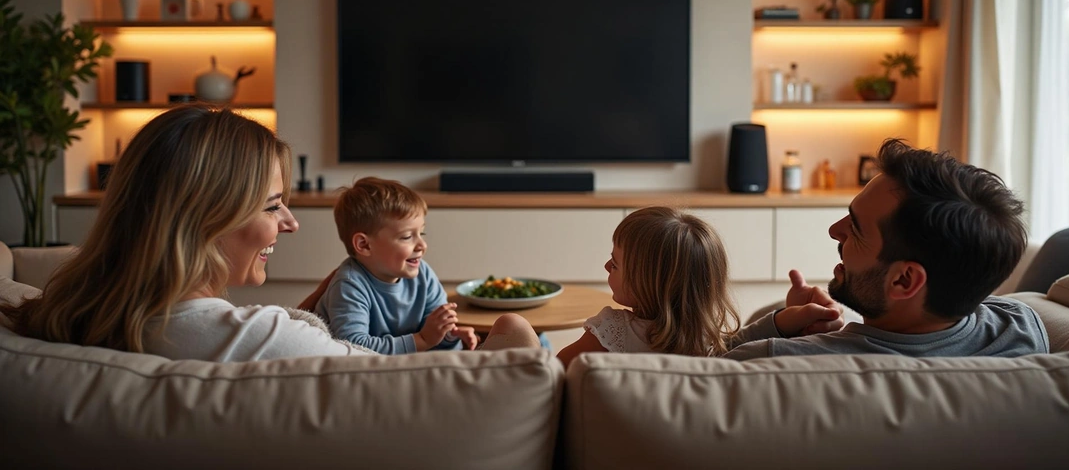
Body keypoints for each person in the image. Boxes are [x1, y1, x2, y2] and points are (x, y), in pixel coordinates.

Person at [0, 106, 538, 360]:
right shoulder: (260, 338)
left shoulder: (68, 307)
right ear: (206, 215)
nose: (291, 223)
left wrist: (309, 309)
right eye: (273, 205)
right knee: (516, 330)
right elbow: (377, 371)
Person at [725, 138, 1050, 360]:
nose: (834, 231)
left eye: (856, 227)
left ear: (905, 280)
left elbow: (697, 366)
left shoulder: (782, 360)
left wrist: (780, 325)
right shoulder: (1021, 327)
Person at [556, 206, 841, 368]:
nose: (607, 267)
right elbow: (746, 342)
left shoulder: (611, 330)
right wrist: (788, 319)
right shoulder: (706, 343)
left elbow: (552, 373)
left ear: (647, 281)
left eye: (614, 263)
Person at [311, 177, 478, 354]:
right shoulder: (349, 285)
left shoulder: (424, 275)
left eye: (422, 233)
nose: (422, 245)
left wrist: (448, 335)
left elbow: (431, 335)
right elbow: (353, 348)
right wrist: (422, 339)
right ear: (364, 245)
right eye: (407, 237)